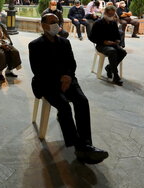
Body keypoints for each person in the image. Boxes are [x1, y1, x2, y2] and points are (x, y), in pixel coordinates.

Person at [28, 13, 109, 164]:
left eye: (57, 22)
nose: (56, 25)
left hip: (68, 80)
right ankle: (80, 147)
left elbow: (71, 64)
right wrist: (60, 80)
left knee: (82, 101)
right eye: (52, 22)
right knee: (64, 106)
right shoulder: (35, 45)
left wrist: (68, 77)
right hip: (47, 84)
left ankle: (86, 142)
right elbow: (39, 71)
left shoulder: (65, 42)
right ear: (43, 25)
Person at [89, 6, 126, 86]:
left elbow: (117, 35)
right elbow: (92, 37)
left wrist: (117, 40)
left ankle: (109, 68)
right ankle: (115, 75)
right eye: (109, 15)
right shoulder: (98, 23)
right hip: (101, 45)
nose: (111, 17)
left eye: (112, 15)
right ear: (105, 13)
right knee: (112, 51)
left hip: (112, 44)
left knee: (122, 52)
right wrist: (104, 42)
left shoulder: (113, 23)